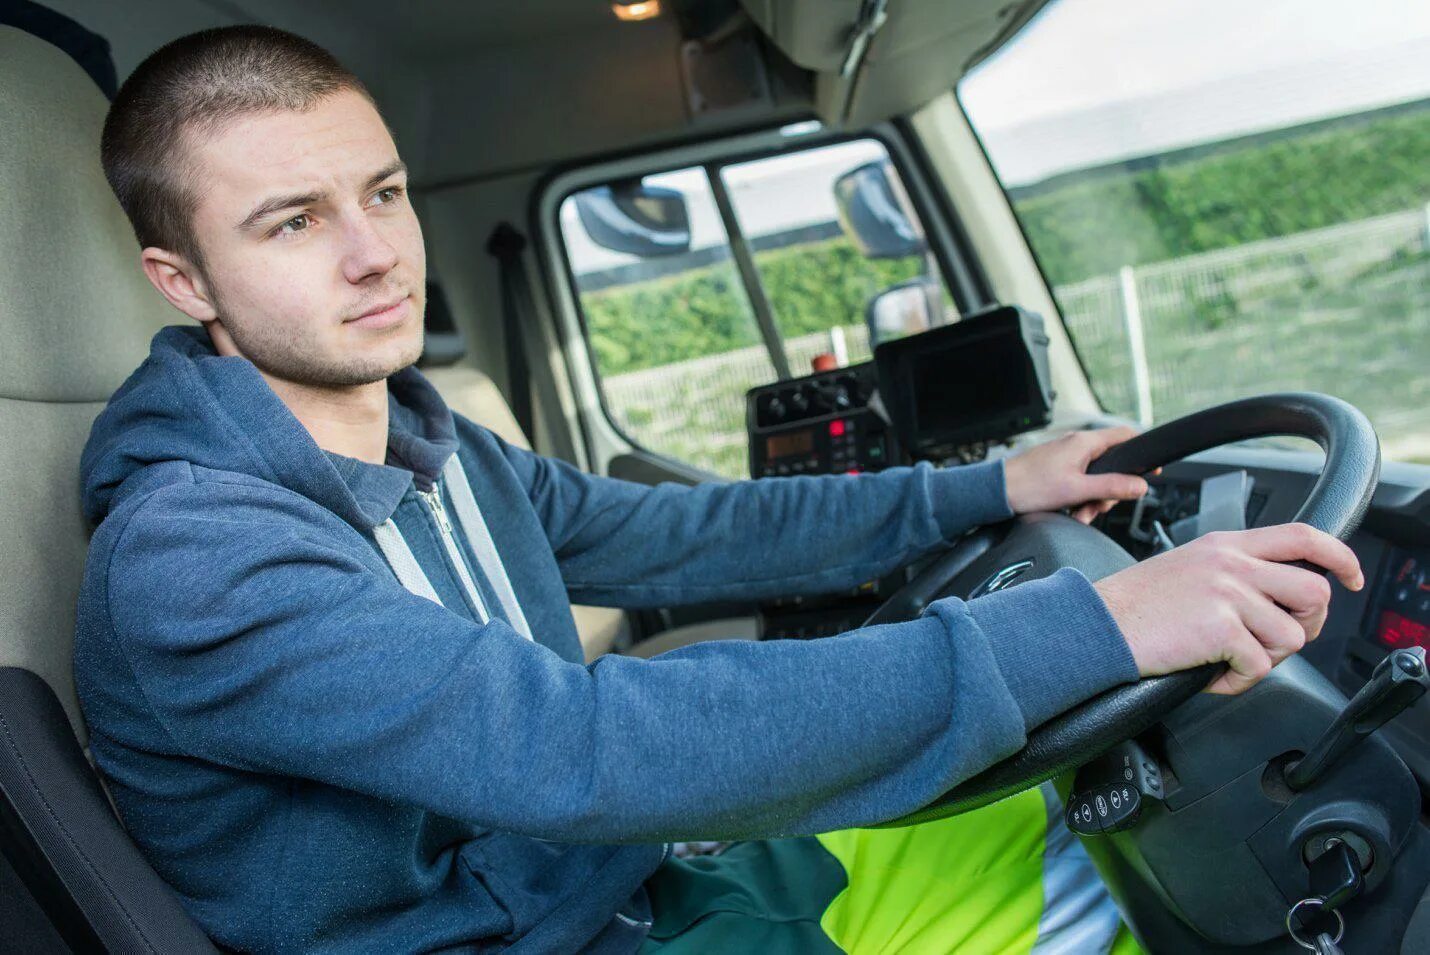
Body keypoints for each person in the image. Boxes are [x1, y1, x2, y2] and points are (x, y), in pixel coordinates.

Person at [75, 25, 1364, 954]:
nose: (375, 255)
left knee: (1060, 831)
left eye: (386, 193)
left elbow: (681, 533)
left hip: (610, 884)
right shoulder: (197, 558)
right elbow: (576, 746)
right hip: (527, 933)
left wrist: (992, 486)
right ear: (182, 280)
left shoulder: (425, 439)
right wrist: (1104, 624)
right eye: (293, 222)